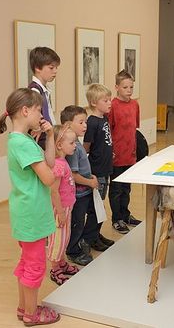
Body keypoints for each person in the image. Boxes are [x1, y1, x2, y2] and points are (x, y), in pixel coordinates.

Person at [0, 88, 60, 325]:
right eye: (38, 110)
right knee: (35, 266)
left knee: (26, 262)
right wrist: (57, 174)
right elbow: (48, 177)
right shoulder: (22, 144)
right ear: (25, 111)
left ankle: (24, 308)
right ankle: (32, 315)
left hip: (26, 212)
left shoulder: (21, 141)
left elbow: (50, 161)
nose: (41, 115)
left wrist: (50, 137)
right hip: (31, 213)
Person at [61, 106, 101, 266]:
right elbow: (73, 175)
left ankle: (79, 244)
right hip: (78, 194)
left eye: (85, 121)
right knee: (77, 223)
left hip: (84, 191)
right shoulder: (73, 147)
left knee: (81, 221)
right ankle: (73, 251)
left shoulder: (77, 143)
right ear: (67, 125)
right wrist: (90, 182)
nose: (85, 125)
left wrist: (90, 176)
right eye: (81, 122)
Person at [108, 70, 142, 234]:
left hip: (130, 155)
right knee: (116, 189)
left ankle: (126, 215)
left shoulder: (135, 105)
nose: (129, 90)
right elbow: (108, 131)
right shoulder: (112, 106)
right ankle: (117, 219)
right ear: (117, 87)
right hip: (116, 156)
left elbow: (134, 130)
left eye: (131, 87)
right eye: (125, 87)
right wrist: (110, 152)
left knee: (127, 188)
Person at [83, 84, 115, 248]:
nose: (110, 103)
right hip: (97, 171)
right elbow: (86, 147)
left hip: (106, 168)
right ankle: (89, 238)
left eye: (109, 99)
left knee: (100, 205)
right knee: (96, 206)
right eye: (106, 100)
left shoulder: (104, 119)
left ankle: (95, 234)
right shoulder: (92, 122)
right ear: (94, 102)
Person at [47, 124, 80, 286]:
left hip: (67, 207)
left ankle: (61, 263)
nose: (75, 145)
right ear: (59, 145)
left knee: (65, 237)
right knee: (58, 239)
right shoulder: (59, 165)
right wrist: (60, 212)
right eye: (72, 143)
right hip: (60, 209)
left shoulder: (63, 162)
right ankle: (54, 268)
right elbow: (54, 191)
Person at [29, 47, 60, 149]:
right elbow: (34, 115)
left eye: (56, 67)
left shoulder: (44, 89)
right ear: (38, 68)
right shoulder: (34, 90)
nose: (55, 71)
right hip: (42, 140)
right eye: (51, 68)